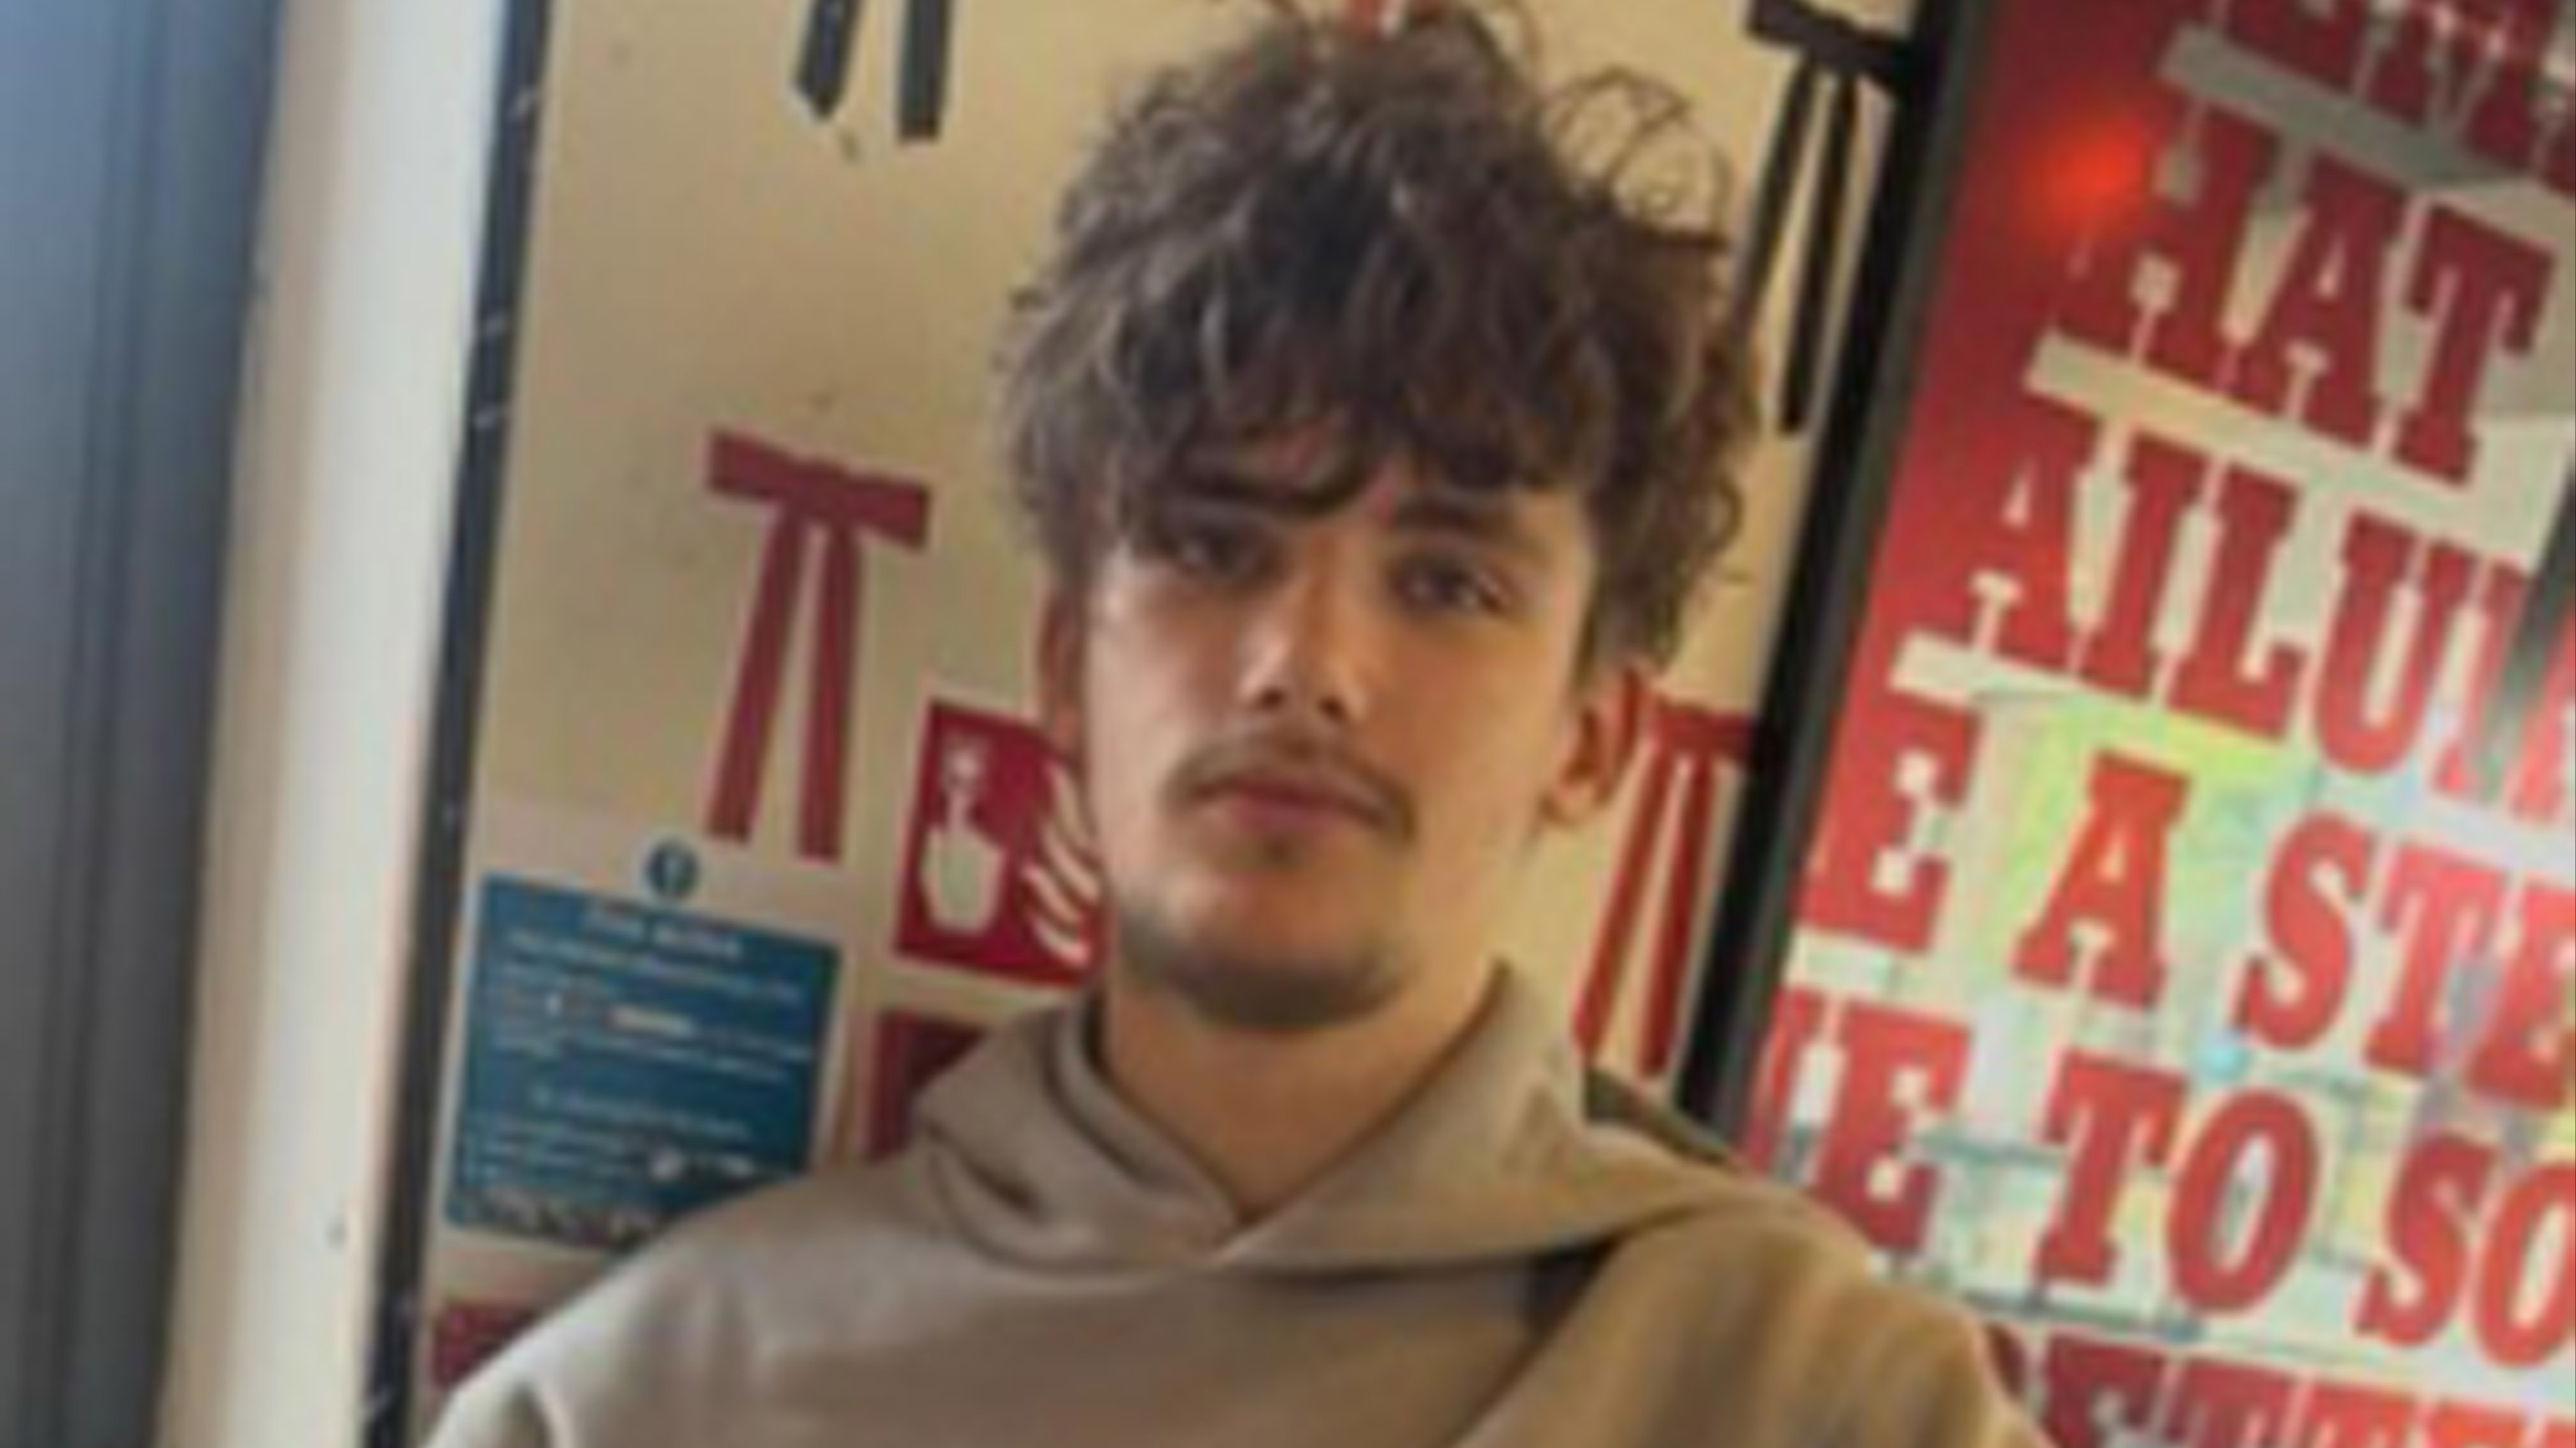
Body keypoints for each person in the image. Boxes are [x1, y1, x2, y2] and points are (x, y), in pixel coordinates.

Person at [431, 6, 2044, 1445]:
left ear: (1593, 737)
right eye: (1214, 546)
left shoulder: (1824, 1398)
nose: (1305, 664)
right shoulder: (647, 1400)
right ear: (1064, 667)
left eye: (1447, 581)